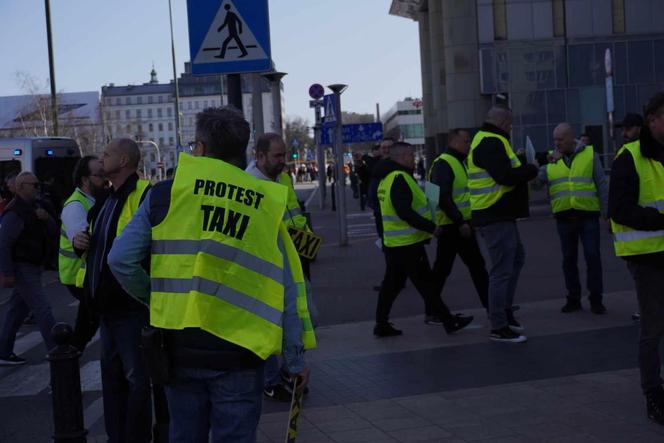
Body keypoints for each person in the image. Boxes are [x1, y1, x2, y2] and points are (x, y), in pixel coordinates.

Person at [108, 107, 315, 442]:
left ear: (200, 148)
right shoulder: (265, 202)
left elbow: (119, 260)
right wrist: (294, 359)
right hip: (241, 351)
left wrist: (155, 296)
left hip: (179, 347)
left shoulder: (164, 194)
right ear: (244, 151)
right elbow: (289, 285)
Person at [72, 138, 152, 443]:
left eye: (106, 155)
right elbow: (99, 245)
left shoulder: (143, 194)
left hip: (130, 306)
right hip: (106, 308)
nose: (100, 159)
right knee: (114, 380)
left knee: (136, 380)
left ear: (123, 161)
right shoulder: (105, 200)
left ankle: (136, 437)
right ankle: (117, 436)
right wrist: (83, 243)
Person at [373, 141, 473, 337]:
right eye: (411, 155)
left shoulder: (387, 179)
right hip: (407, 244)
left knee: (392, 285)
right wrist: (431, 227)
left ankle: (381, 324)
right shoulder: (399, 178)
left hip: (396, 244)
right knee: (426, 285)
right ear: (402, 157)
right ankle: (448, 320)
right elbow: (405, 212)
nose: (414, 158)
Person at [247, 132, 318, 402]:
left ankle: (288, 371)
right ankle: (274, 379)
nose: (283, 160)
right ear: (260, 156)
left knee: (302, 314)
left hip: (295, 256)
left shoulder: (282, 177)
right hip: (269, 265)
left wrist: (306, 241)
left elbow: (292, 213)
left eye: (284, 154)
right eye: (277, 156)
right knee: (273, 323)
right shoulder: (252, 184)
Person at [609, 91, 664, 425]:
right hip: (647, 258)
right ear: (653, 120)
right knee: (653, 327)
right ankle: (653, 394)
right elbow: (618, 209)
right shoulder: (629, 156)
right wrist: (660, 221)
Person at [467, 106, 539, 343]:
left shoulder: (488, 140)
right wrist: (530, 169)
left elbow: (503, 171)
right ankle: (498, 324)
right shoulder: (491, 141)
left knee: (515, 259)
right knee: (502, 269)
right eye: (509, 124)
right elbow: (505, 176)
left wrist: (520, 164)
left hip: (497, 214)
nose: (511, 127)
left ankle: (504, 314)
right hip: (494, 214)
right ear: (501, 122)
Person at [532, 123, 608, 314]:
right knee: (568, 260)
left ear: (570, 138)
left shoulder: (590, 154)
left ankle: (596, 298)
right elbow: (536, 186)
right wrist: (534, 166)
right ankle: (573, 298)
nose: (556, 144)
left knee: (592, 257)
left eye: (560, 140)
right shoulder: (551, 158)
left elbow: (601, 185)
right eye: (554, 140)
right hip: (564, 217)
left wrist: (608, 214)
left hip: (587, 215)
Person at [428, 129, 489, 313]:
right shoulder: (445, 164)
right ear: (454, 142)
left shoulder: (454, 163)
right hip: (454, 226)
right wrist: (460, 221)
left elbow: (434, 196)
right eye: (466, 141)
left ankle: (492, 306)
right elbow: (441, 197)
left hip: (454, 224)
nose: (469, 145)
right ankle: (493, 307)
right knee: (467, 268)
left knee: (452, 269)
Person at [0, 172, 58, 365]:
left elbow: (52, 230)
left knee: (16, 311)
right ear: (21, 186)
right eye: (34, 185)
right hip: (23, 267)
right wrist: (7, 272)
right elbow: (4, 243)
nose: (37, 189)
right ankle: (58, 350)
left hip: (33, 264)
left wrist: (46, 218)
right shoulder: (14, 212)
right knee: (43, 309)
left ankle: (3, 350)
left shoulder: (35, 208)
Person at [59, 155, 106, 349]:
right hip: (77, 276)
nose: (105, 179)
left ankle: (71, 355)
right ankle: (69, 358)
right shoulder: (75, 206)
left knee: (90, 320)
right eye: (99, 175)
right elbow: (82, 241)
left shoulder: (94, 200)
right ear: (85, 179)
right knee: (92, 319)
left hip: (87, 274)